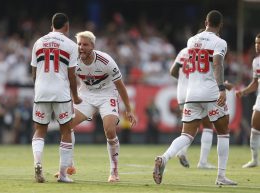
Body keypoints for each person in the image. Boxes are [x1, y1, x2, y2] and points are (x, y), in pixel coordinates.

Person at [153, 10, 237, 185]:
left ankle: (164, 157)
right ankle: (221, 177)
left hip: (191, 93)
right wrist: (222, 88)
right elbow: (217, 63)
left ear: (205, 21)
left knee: (187, 134)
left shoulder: (191, 40)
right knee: (223, 132)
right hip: (211, 92)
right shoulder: (220, 42)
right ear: (220, 25)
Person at [56, 31, 136, 182]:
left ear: (93, 46)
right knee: (66, 126)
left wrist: (129, 110)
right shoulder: (73, 60)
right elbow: (67, 81)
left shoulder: (106, 61)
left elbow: (120, 85)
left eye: (85, 44)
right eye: (79, 44)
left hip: (107, 96)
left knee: (110, 130)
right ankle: (68, 165)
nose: (81, 47)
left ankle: (114, 171)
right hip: (86, 96)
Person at [30, 13, 81, 183]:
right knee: (65, 130)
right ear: (66, 26)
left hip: (41, 91)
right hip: (61, 92)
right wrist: (75, 95)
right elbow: (72, 75)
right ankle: (63, 174)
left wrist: (38, 88)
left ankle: (37, 163)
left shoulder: (38, 42)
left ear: (51, 25)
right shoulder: (71, 45)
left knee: (39, 130)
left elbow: (34, 71)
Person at [170, 46, 233, 169]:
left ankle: (182, 151)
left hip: (182, 93)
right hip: (197, 91)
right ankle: (202, 162)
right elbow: (210, 73)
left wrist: (183, 80)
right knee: (208, 126)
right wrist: (224, 85)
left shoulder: (184, 51)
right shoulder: (207, 52)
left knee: (191, 127)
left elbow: (172, 71)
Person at [236, 33, 260, 168]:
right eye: (256, 43)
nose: (257, 46)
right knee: (255, 128)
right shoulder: (256, 62)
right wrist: (243, 92)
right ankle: (254, 160)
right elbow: (255, 83)